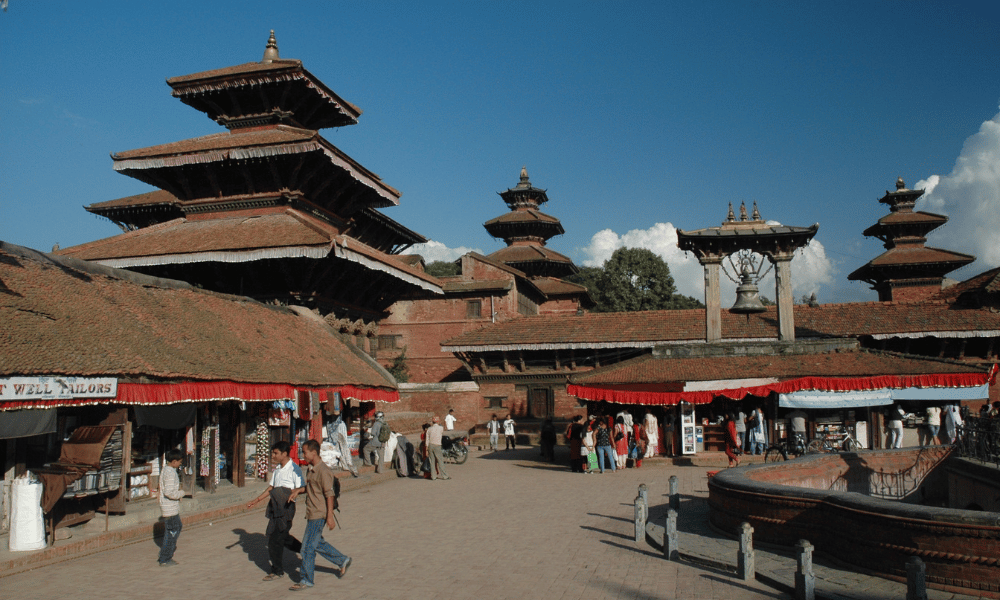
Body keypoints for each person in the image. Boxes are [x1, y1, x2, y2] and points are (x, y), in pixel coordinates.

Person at [289, 439, 351, 591]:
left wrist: (329, 516)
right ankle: (343, 560)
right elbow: (311, 488)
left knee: (306, 549)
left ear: (314, 452)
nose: (303, 455)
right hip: (312, 513)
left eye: (304, 452)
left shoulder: (324, 471)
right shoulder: (311, 469)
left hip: (319, 514)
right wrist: (298, 490)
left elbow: (329, 495)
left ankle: (306, 580)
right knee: (316, 543)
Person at [247, 441, 305, 581]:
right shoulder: (277, 469)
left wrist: (291, 492)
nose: (273, 455)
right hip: (275, 507)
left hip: (286, 508)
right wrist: (257, 500)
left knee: (274, 540)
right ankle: (305, 550)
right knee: (283, 537)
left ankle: (277, 570)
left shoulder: (294, 469)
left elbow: (302, 487)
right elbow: (271, 487)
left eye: (275, 453)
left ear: (284, 454)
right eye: (272, 453)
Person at [157, 449, 185, 566]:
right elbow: (169, 492)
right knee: (172, 531)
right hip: (169, 508)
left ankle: (167, 551)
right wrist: (181, 493)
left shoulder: (166, 470)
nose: (180, 464)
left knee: (177, 527)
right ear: (174, 461)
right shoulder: (170, 472)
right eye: (179, 462)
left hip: (170, 507)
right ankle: (165, 557)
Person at [328, 410, 359, 477]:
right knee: (342, 451)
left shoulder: (336, 424)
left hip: (339, 439)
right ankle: (347, 465)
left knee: (342, 451)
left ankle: (347, 465)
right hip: (339, 439)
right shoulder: (336, 424)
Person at [425, 416, 451, 480]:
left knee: (432, 461)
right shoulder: (440, 428)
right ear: (438, 421)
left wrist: (426, 449)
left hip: (430, 445)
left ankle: (433, 476)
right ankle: (445, 475)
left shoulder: (429, 429)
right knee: (440, 461)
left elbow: (427, 440)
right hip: (437, 445)